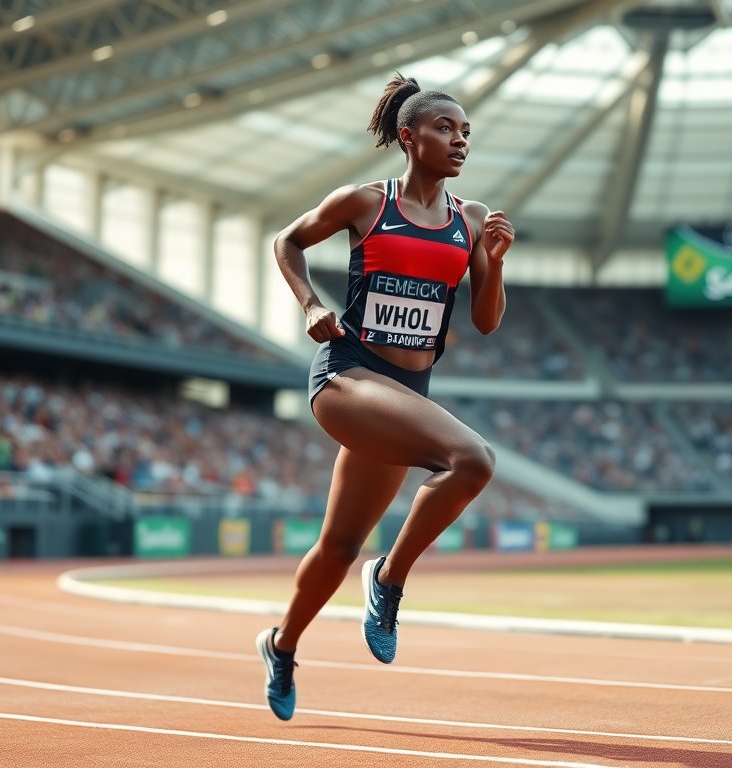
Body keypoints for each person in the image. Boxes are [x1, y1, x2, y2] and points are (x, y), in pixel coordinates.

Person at [256, 73, 515, 721]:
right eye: (445, 129)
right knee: (473, 459)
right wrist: (312, 303)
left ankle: (281, 645)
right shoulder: (365, 203)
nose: (459, 141)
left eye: (466, 133)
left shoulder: (472, 221)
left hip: (405, 395)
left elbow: (485, 322)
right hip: (348, 377)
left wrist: (498, 263)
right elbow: (285, 241)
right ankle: (390, 578)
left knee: (339, 546)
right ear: (409, 136)